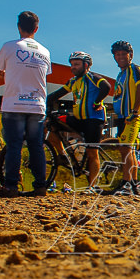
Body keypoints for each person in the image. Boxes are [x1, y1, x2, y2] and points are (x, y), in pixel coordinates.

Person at [0, 10, 51, 197]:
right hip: (37, 104)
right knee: (36, 145)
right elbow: (44, 74)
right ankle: (41, 185)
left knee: (15, 145)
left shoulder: (9, 47)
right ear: (36, 28)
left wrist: (3, 74)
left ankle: (11, 186)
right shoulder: (45, 51)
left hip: (14, 103)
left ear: (18, 27)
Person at [46, 51, 111, 190]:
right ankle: (63, 156)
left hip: (94, 119)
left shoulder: (92, 77)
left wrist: (97, 101)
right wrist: (43, 101)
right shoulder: (73, 81)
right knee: (52, 124)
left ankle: (92, 186)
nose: (73, 67)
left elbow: (106, 86)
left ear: (86, 65)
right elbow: (57, 94)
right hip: (78, 118)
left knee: (92, 152)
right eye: (72, 64)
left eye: (76, 64)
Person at [109, 40, 140, 195]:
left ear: (130, 55)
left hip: (133, 115)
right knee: (127, 150)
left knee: (126, 148)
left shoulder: (134, 69)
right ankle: (133, 183)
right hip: (123, 116)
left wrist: (134, 110)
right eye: (117, 54)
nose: (120, 57)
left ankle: (126, 184)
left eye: (123, 54)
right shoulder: (121, 74)